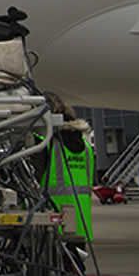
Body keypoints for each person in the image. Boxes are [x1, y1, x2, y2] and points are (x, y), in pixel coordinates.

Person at [38, 93, 96, 243]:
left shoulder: (47, 144)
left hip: (53, 223)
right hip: (81, 223)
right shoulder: (87, 148)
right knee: (74, 265)